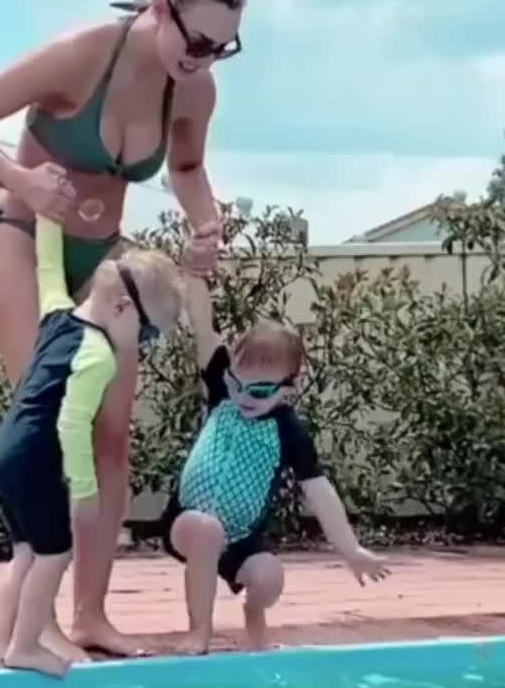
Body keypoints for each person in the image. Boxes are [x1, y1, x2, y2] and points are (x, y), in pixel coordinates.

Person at [0, 0, 245, 658]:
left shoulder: (191, 91)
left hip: (103, 270)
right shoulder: (83, 54)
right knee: (46, 435)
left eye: (221, 47)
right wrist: (21, 180)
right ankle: (25, 621)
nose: (203, 59)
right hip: (22, 248)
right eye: (195, 40)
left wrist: (206, 224)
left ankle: (91, 615)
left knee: (110, 441)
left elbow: (189, 170)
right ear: (158, 7)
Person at [0, 214, 182, 676]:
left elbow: (48, 269)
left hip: (3, 455)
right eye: (149, 335)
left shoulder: (56, 315)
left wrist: (49, 213)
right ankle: (26, 646)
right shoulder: (96, 355)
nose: (145, 346)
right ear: (122, 311)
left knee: (25, 554)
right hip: (34, 459)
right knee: (54, 554)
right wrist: (86, 490)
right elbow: (73, 424)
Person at [161, 262, 389, 654]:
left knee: (269, 577)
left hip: (241, 538)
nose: (245, 396)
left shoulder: (288, 430)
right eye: (238, 383)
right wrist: (196, 273)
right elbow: (203, 326)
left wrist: (351, 550)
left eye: (261, 390)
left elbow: (320, 493)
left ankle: (255, 615)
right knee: (206, 530)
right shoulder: (221, 391)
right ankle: (200, 631)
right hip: (188, 522)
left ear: (288, 388)